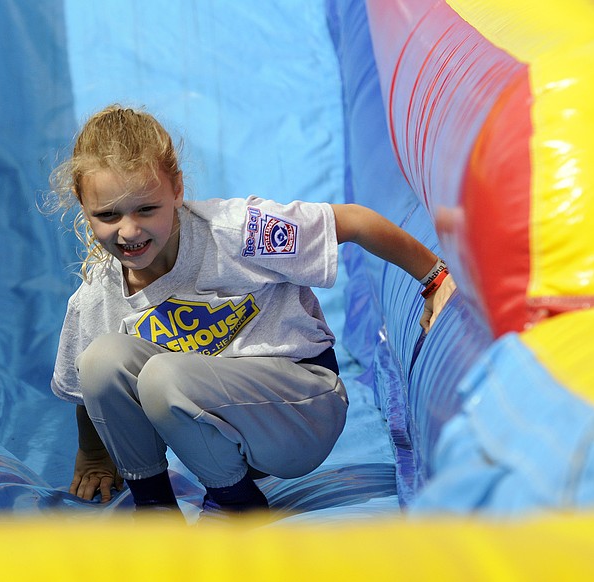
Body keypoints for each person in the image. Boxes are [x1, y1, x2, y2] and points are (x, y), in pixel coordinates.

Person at [48, 104, 456, 520]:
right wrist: (94, 455)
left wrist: (435, 278)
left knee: (162, 374)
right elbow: (90, 390)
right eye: (108, 215)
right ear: (83, 206)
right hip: (213, 437)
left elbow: (352, 222)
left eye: (147, 209)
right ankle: (155, 510)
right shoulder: (97, 295)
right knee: (101, 358)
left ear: (176, 189)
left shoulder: (236, 232)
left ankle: (237, 506)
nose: (130, 231)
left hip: (301, 412)